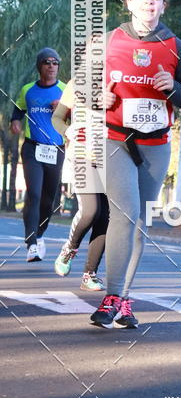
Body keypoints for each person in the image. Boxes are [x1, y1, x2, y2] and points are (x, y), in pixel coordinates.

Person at [90, 0, 181, 329]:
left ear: (164, 5)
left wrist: (173, 87)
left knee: (138, 224)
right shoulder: (107, 42)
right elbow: (80, 92)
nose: (149, 1)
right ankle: (111, 298)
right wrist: (97, 98)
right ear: (128, 1)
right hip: (114, 139)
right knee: (124, 213)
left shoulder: (176, 47)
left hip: (155, 146)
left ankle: (124, 301)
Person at [51, 78, 108, 290]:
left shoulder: (122, 78)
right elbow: (57, 118)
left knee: (106, 216)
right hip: (82, 155)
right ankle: (69, 249)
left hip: (111, 158)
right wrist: (67, 130)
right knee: (91, 211)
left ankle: (89, 274)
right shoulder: (78, 83)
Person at [10, 48, 66, 262]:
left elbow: (80, 117)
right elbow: (19, 108)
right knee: (33, 194)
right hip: (32, 148)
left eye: (55, 63)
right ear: (39, 66)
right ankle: (31, 244)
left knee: (48, 200)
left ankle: (40, 235)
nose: (51, 66)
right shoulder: (28, 90)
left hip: (56, 149)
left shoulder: (65, 91)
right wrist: (14, 121)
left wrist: (62, 109)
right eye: (47, 62)